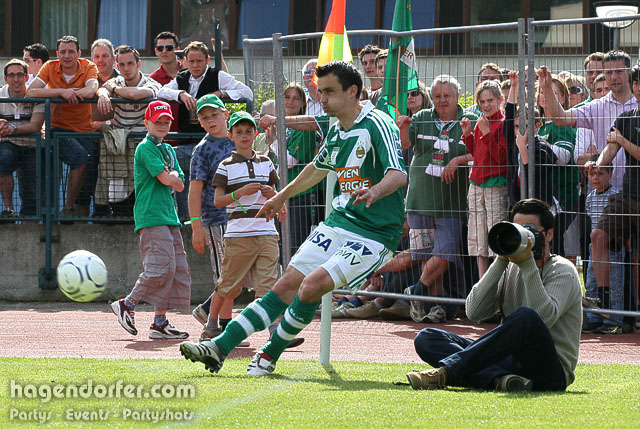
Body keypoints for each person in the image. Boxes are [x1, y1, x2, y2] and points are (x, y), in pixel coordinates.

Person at [179, 60, 407, 376]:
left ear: (352, 91)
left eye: (329, 91)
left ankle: (268, 354)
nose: (321, 98)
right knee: (287, 283)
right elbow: (316, 168)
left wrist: (375, 191)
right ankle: (218, 348)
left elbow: (398, 174)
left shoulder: (378, 123)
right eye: (320, 91)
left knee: (312, 285)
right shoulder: (337, 130)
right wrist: (279, 196)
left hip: (375, 233)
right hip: (340, 222)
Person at [407, 198, 582, 392]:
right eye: (517, 230)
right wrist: (501, 260)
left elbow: (544, 318)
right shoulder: (510, 268)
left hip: (550, 371)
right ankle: (501, 380)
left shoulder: (563, 270)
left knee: (527, 317)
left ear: (548, 234)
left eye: (529, 230)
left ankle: (447, 373)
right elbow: (475, 312)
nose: (522, 237)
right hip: (510, 361)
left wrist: (527, 263)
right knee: (427, 338)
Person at [394, 74, 475, 323]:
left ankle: (416, 291)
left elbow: (480, 152)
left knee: (444, 253)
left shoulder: (469, 120)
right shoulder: (421, 118)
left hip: (452, 202)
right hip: (419, 200)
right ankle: (435, 306)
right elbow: (404, 145)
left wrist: (458, 160)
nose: (442, 100)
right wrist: (403, 127)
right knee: (425, 255)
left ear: (457, 96)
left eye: (447, 96)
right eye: (438, 96)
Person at [199, 110, 283, 343]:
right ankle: (211, 325)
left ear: (255, 134)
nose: (244, 135)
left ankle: (275, 329)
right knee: (228, 284)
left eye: (248, 131)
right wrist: (240, 193)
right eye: (239, 132)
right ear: (231, 136)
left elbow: (276, 194)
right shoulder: (225, 166)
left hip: (267, 231)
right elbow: (218, 201)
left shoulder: (266, 163)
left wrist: (276, 199)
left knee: (268, 285)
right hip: (238, 234)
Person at [110, 100, 190, 340]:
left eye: (166, 122)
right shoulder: (145, 148)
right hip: (151, 215)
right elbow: (168, 180)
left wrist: (171, 176)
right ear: (146, 123)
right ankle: (127, 303)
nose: (163, 125)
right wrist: (171, 176)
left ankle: (159, 323)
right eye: (158, 122)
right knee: (160, 267)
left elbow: (180, 183)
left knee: (173, 268)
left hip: (169, 215)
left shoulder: (169, 150)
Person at [157, 40, 252, 221]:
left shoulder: (217, 75)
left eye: (199, 61)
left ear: (207, 60)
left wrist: (221, 94)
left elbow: (247, 92)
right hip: (187, 141)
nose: (195, 65)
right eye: (191, 61)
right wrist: (180, 94)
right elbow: (161, 92)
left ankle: (212, 218)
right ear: (185, 61)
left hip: (211, 141)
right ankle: (186, 219)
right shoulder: (182, 78)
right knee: (180, 174)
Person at [588, 63, 640, 334]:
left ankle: (635, 314)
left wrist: (622, 140)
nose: (639, 88)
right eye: (637, 83)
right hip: (627, 195)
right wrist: (597, 164)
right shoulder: (626, 118)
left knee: (637, 258)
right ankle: (604, 301)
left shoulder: (623, 129)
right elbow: (609, 150)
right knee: (598, 235)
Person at [537, 50, 636, 190]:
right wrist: (547, 88)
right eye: (609, 72)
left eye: (619, 71)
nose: (614, 77)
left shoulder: (638, 104)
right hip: (604, 190)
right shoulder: (596, 107)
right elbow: (560, 118)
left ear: (629, 72)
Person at [26, 35, 100, 219]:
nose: (67, 56)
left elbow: (91, 90)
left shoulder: (89, 66)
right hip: (58, 128)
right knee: (79, 158)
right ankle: (66, 208)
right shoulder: (49, 66)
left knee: (88, 182)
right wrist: (60, 92)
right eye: (63, 52)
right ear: (57, 54)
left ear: (79, 53)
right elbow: (30, 91)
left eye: (71, 51)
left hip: (85, 130)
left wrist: (68, 95)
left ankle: (79, 221)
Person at [94, 45, 162, 217]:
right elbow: (101, 89)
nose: (126, 68)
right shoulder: (114, 82)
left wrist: (113, 90)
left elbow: (134, 94)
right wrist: (103, 94)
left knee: (144, 185)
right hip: (119, 145)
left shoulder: (152, 84)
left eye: (130, 63)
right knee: (116, 188)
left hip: (143, 144)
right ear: (117, 66)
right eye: (122, 64)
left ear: (138, 64)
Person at [186, 94, 234, 333]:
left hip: (241, 219)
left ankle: (209, 311)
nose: (211, 120)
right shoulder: (202, 150)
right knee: (226, 274)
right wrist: (197, 225)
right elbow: (194, 190)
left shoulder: (238, 139)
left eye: (214, 115)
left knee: (236, 272)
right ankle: (220, 325)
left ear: (225, 114)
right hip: (216, 220)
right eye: (205, 118)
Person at [461, 80, 508, 278]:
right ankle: (482, 280)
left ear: (500, 100)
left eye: (490, 100)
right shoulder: (481, 122)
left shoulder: (503, 124)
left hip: (495, 183)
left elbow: (502, 158)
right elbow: (478, 154)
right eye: (482, 101)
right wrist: (468, 136)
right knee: (478, 234)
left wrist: (487, 133)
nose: (486, 105)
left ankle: (498, 280)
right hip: (476, 183)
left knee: (495, 232)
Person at [536, 75, 579, 257]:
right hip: (544, 199)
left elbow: (563, 157)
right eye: (542, 92)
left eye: (552, 93)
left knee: (557, 247)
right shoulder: (539, 127)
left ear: (562, 98)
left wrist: (540, 143)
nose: (545, 96)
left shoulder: (562, 124)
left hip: (564, 199)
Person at [582, 161, 624, 334]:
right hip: (594, 248)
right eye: (592, 175)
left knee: (614, 284)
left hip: (612, 246)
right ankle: (594, 318)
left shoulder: (616, 197)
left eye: (600, 174)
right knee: (591, 282)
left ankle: (613, 319)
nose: (595, 178)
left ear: (610, 174)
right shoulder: (590, 197)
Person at [0, 59, 45, 220]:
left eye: (20, 75)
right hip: (8, 143)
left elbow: (35, 126)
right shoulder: (0, 95)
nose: (16, 79)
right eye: (12, 75)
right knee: (3, 162)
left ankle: (30, 221)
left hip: (31, 145)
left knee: (30, 187)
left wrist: (13, 129)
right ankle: (9, 210)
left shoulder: (36, 95)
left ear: (26, 77)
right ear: (5, 78)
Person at [149, 31, 183, 133]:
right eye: (160, 48)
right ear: (156, 51)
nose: (164, 51)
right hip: (165, 137)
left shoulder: (190, 72)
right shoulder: (151, 80)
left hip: (192, 135)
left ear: (177, 50)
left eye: (169, 48)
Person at [90, 39, 118, 132]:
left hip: (118, 135)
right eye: (97, 56)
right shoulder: (85, 81)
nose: (100, 60)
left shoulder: (124, 81)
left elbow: (130, 117)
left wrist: (105, 123)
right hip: (89, 135)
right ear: (92, 61)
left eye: (105, 56)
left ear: (113, 59)